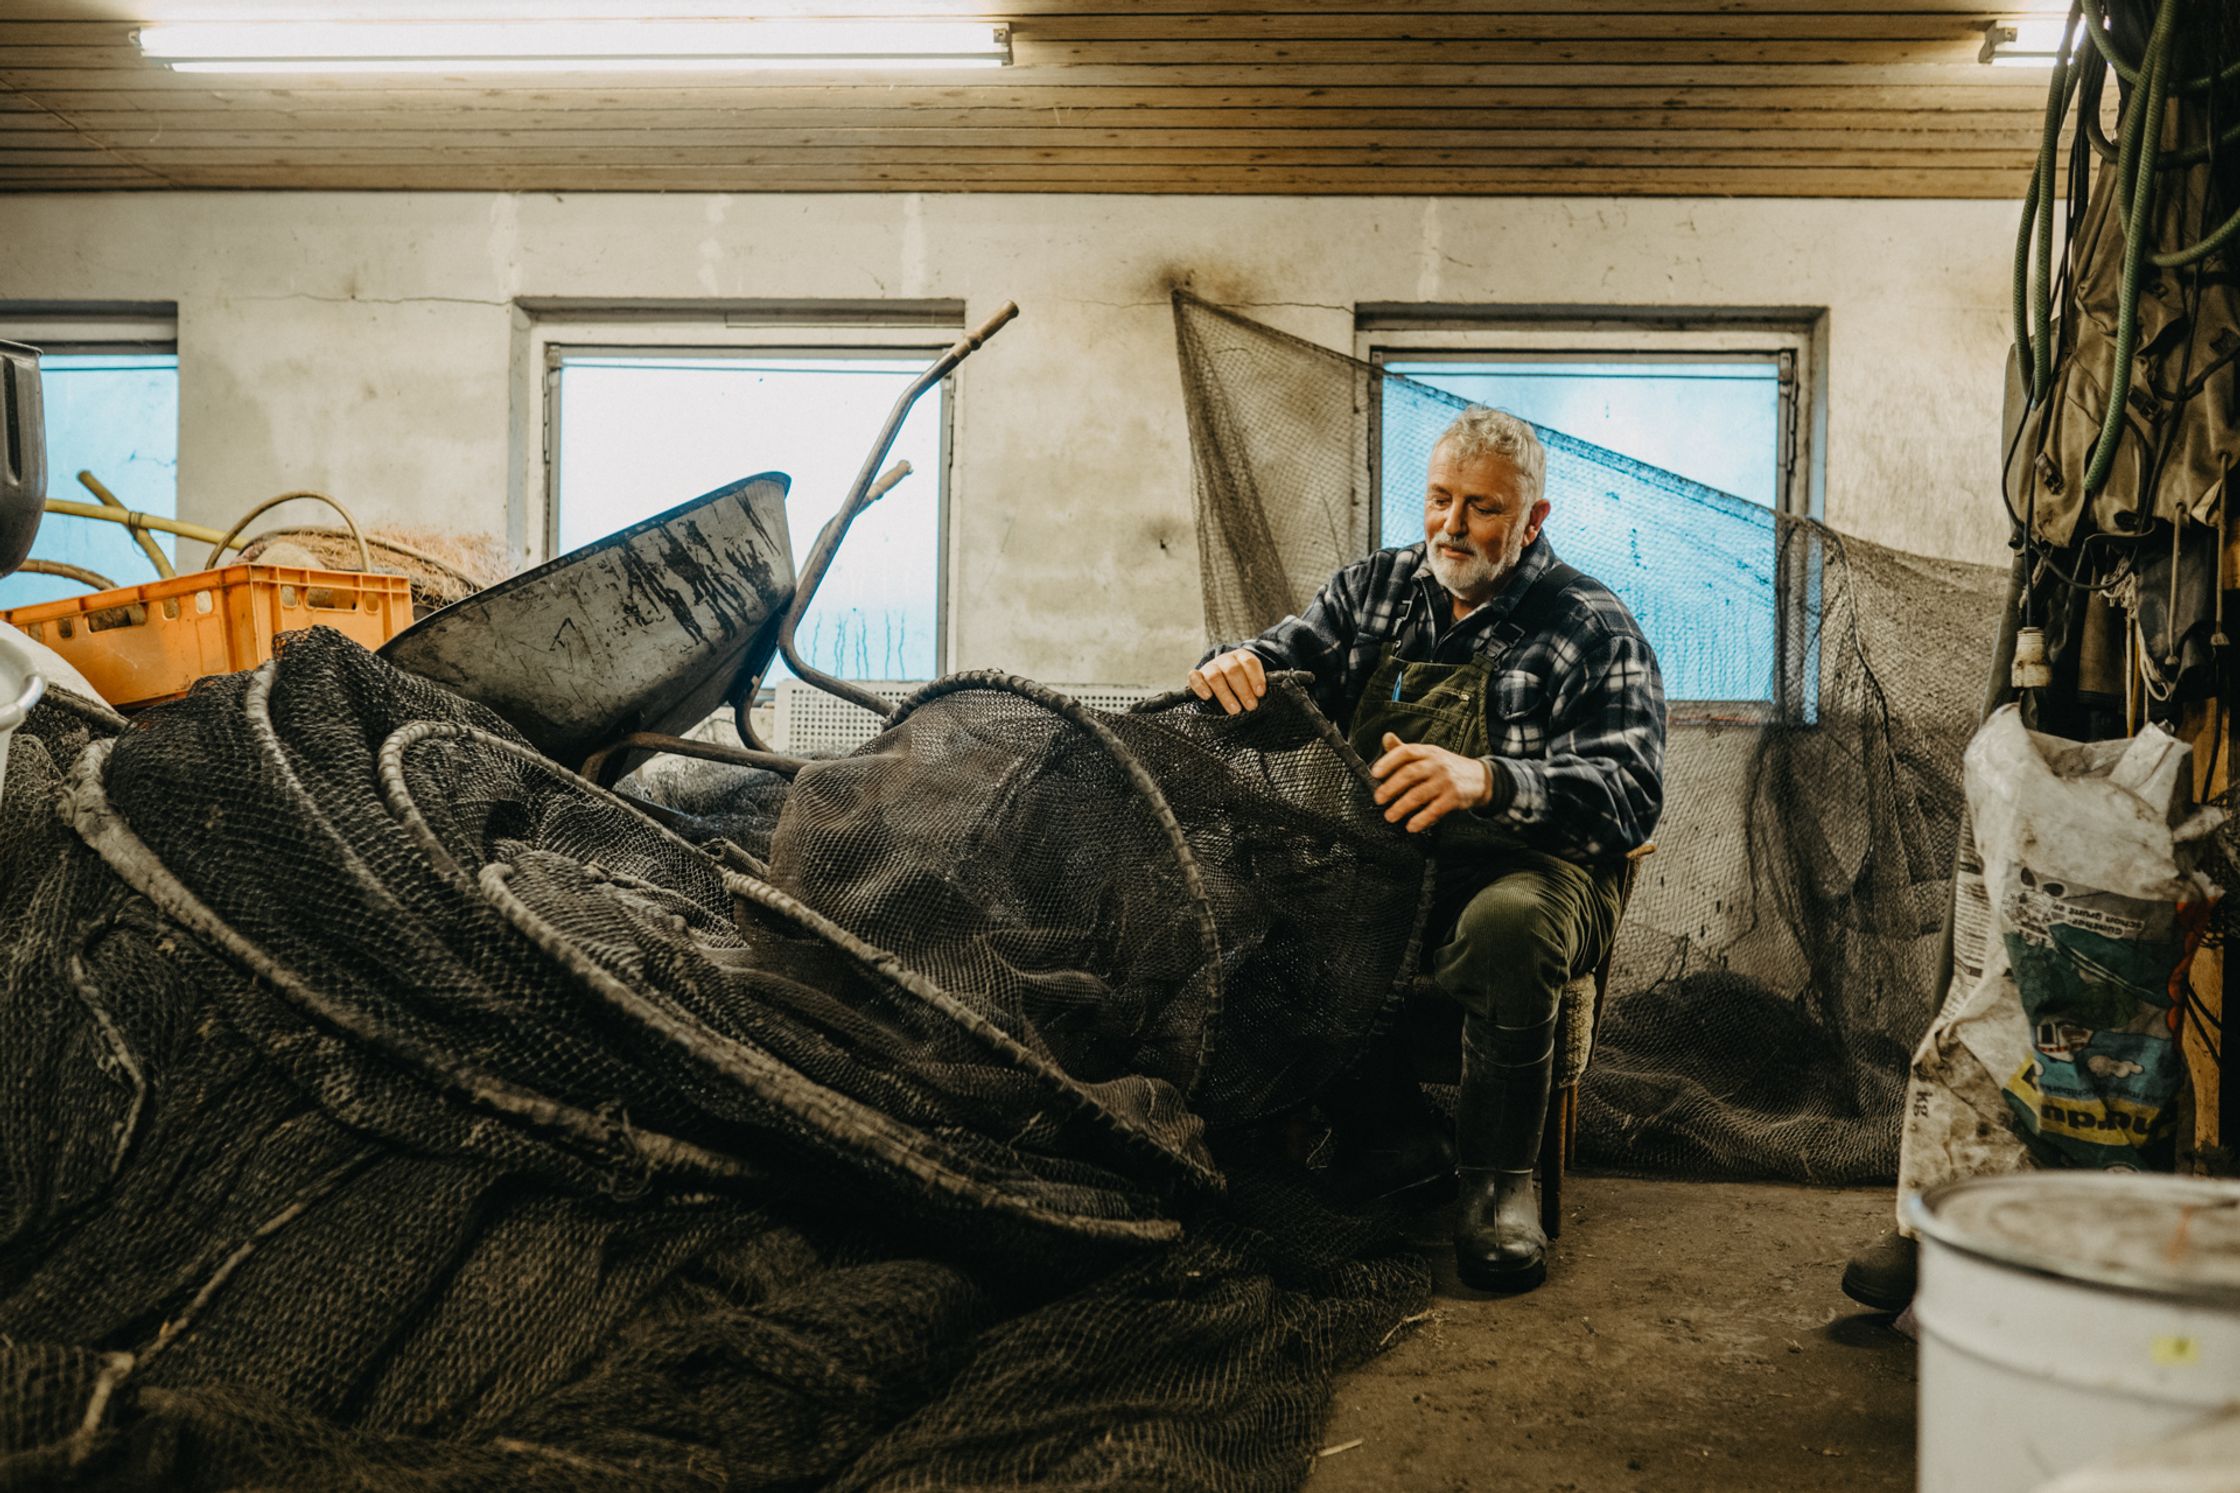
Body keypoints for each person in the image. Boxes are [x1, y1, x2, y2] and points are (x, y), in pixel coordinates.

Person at [1186, 405, 1665, 1293]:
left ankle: (1498, 1188)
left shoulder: (1590, 625)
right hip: (1393, 865)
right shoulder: (1378, 590)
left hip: (1540, 871)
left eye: (1484, 507)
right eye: (1441, 498)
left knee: (1507, 926)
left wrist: (1488, 780)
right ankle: (1394, 1141)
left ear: (1533, 518)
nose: (1453, 525)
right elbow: (1283, 674)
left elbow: (1630, 798)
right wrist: (1235, 667)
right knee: (1265, 909)